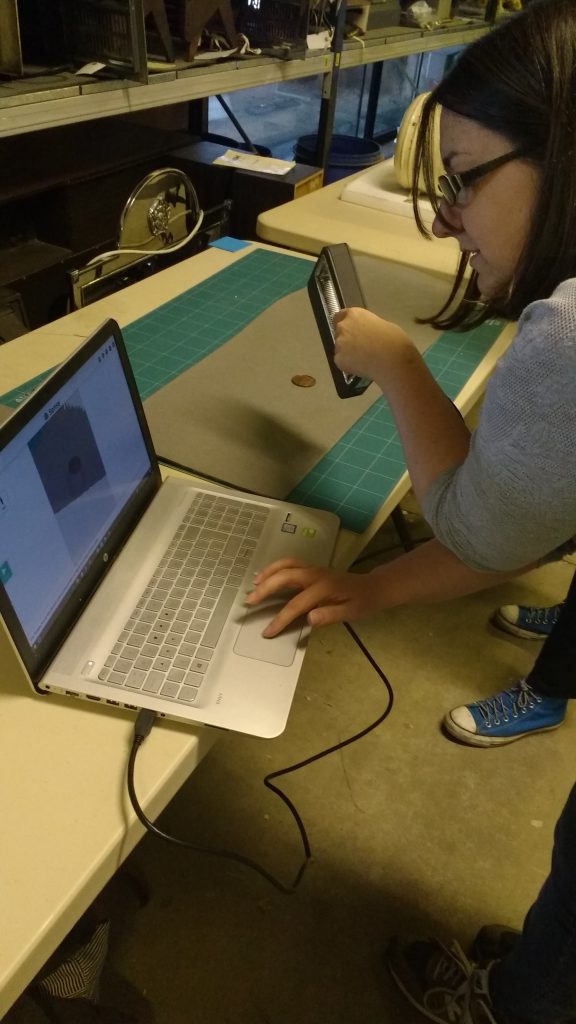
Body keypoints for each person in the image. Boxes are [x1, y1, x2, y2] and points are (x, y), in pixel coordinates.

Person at [246, 0, 576, 1018]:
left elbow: (478, 528)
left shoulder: (568, 338)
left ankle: (519, 1003)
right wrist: (375, 587)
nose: (442, 218)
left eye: (464, 179)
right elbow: (527, 517)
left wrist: (395, 363)